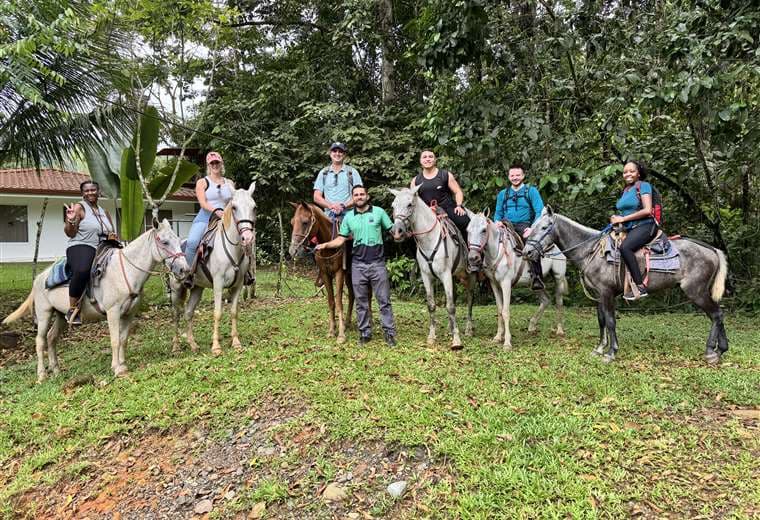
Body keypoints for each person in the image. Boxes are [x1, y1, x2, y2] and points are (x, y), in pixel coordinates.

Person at [315, 185, 397, 347]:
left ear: (367, 196)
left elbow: (393, 230)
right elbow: (340, 239)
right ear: (353, 198)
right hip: (358, 264)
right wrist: (324, 245)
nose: (359, 197)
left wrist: (401, 231)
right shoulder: (348, 218)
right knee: (361, 302)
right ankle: (365, 333)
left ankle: (389, 333)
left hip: (377, 263)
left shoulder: (379, 212)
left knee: (384, 301)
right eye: (356, 195)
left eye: (362, 194)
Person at [63, 180, 117, 324]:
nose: (90, 193)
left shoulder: (104, 212)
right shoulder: (80, 208)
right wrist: (70, 221)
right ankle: (72, 309)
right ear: (82, 193)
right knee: (82, 270)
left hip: (103, 248)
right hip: (82, 245)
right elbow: (70, 233)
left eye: (93, 190)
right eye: (86, 191)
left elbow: (110, 232)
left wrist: (112, 236)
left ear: (98, 192)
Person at [184, 151, 235, 283]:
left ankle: (245, 274)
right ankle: (188, 273)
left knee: (243, 238)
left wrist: (227, 211)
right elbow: (203, 203)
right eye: (212, 163)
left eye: (217, 162)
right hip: (206, 217)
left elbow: (233, 201)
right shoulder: (202, 182)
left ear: (221, 163)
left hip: (226, 217)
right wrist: (216, 210)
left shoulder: (229, 183)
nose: (215, 165)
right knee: (192, 242)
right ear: (208, 165)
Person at [610, 160, 657, 300]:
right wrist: (617, 218)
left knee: (625, 248)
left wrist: (622, 220)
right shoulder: (626, 190)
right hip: (629, 228)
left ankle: (640, 287)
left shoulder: (644, 186)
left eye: (631, 171)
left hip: (645, 225)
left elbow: (647, 210)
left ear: (638, 173)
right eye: (625, 172)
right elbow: (626, 212)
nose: (628, 174)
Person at [493, 163, 546, 290]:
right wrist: (497, 221)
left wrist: (532, 228)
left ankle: (537, 277)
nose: (515, 177)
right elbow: (498, 212)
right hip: (505, 225)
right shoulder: (503, 194)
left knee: (532, 245)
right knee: (487, 240)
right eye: (512, 175)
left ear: (523, 176)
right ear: (508, 176)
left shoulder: (531, 191)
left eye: (518, 175)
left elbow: (540, 211)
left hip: (524, 225)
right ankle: (486, 275)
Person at [410, 150, 470, 238]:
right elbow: (413, 201)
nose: (427, 159)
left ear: (435, 160)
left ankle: (467, 250)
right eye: (424, 157)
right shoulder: (415, 180)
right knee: (411, 234)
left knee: (465, 222)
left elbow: (458, 192)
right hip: (428, 212)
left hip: (448, 209)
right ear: (420, 161)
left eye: (430, 157)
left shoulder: (445, 175)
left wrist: (459, 206)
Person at [313, 142, 363, 225]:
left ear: (344, 155)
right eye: (334, 151)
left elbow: (360, 196)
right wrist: (331, 206)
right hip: (328, 217)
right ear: (330, 153)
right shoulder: (323, 173)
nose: (337, 154)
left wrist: (343, 206)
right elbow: (316, 197)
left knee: (359, 236)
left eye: (340, 152)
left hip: (350, 216)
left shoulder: (352, 172)